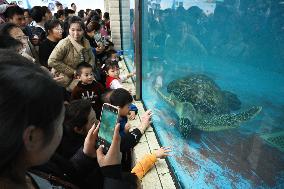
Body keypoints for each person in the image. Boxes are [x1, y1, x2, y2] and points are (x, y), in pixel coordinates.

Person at [0, 50, 138, 189]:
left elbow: (66, 174)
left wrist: (85, 155)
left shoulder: (31, 165)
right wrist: (111, 173)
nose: (65, 127)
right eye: (60, 122)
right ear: (32, 137)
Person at [48, 16, 96, 91]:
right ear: (69, 30)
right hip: (66, 81)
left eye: (79, 30)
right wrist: (73, 72)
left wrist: (87, 72)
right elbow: (52, 61)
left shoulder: (85, 41)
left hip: (83, 77)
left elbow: (91, 57)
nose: (76, 33)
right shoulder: (64, 43)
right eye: (72, 30)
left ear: (83, 31)